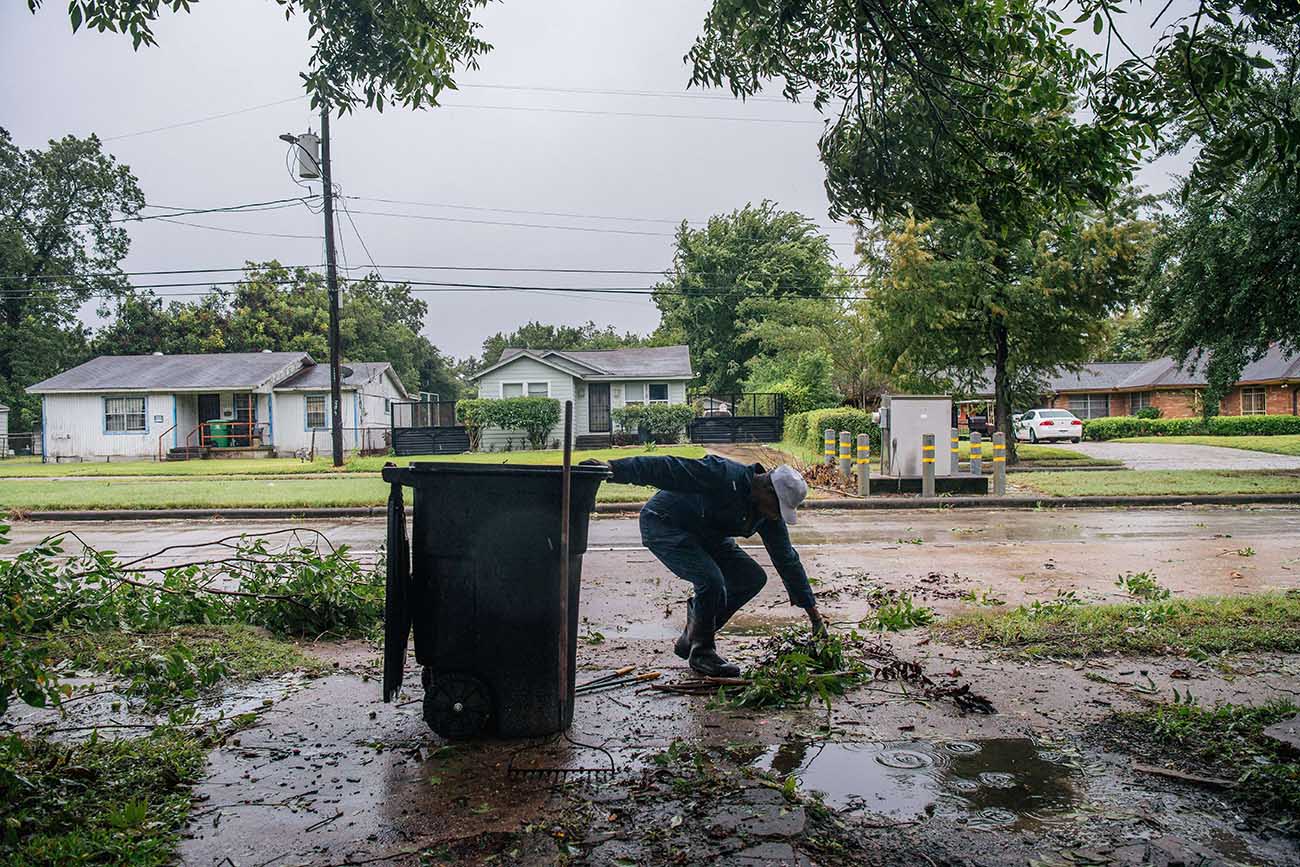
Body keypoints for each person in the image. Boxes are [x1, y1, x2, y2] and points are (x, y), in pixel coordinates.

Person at [582, 454, 824, 678]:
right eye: (777, 508)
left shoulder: (767, 514)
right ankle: (702, 653)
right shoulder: (723, 474)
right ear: (767, 489)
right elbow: (667, 468)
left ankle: (694, 631)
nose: (776, 515)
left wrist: (815, 618)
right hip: (665, 523)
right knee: (710, 581)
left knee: (751, 578)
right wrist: (612, 468)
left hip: (707, 535)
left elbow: (787, 560)